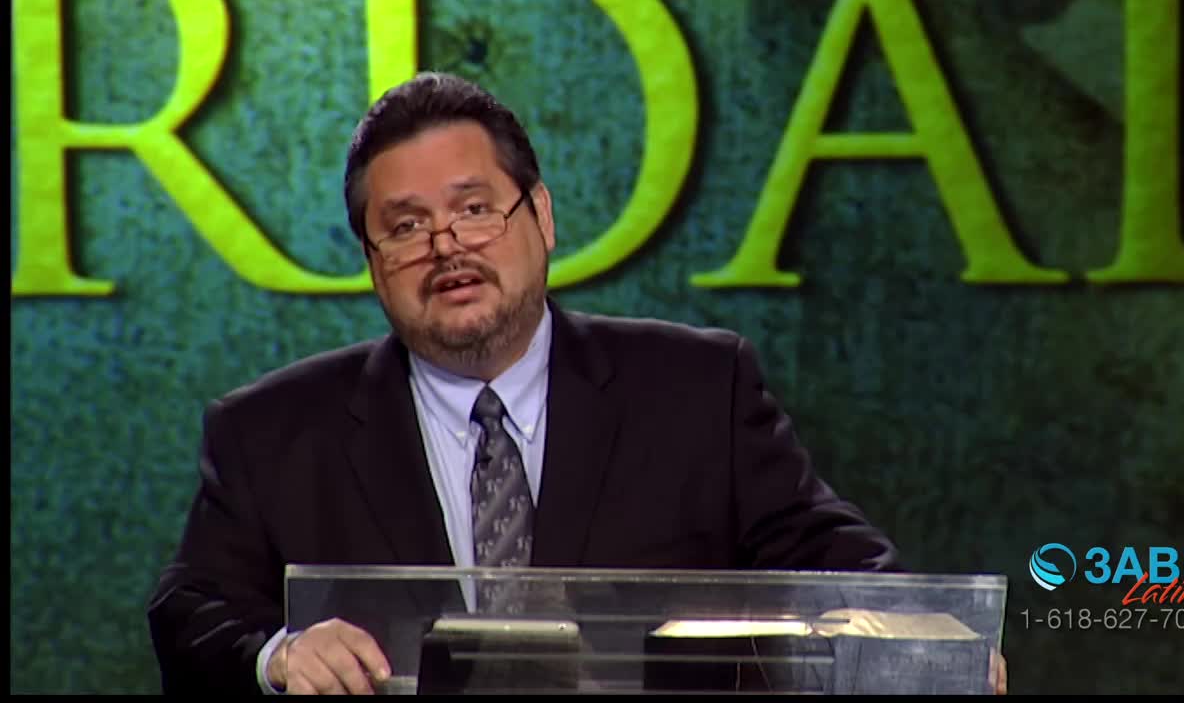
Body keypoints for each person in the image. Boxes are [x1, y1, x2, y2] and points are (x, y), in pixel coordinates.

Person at [146, 71, 1003, 695]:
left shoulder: (698, 390)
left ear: (542, 217)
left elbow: (832, 561)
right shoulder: (270, 432)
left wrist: (927, 647)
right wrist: (278, 655)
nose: (448, 246)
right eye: (405, 227)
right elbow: (190, 611)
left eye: (476, 208)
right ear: (373, 264)